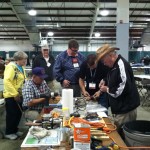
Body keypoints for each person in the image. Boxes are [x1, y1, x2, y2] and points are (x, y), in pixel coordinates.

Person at [96, 44, 140, 135]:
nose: (104, 63)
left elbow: (122, 88)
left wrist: (107, 89)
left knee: (121, 137)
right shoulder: (114, 66)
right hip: (120, 108)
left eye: (104, 60)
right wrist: (104, 80)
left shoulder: (121, 65)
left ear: (111, 56)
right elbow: (114, 78)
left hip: (126, 110)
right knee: (118, 135)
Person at [3, 51, 28, 140]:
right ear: (17, 59)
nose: (25, 61)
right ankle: (9, 132)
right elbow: (7, 81)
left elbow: (23, 79)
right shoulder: (11, 67)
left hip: (19, 94)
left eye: (26, 59)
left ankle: (15, 130)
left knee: (18, 114)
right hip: (11, 95)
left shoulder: (21, 67)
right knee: (12, 114)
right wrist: (15, 94)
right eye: (24, 59)